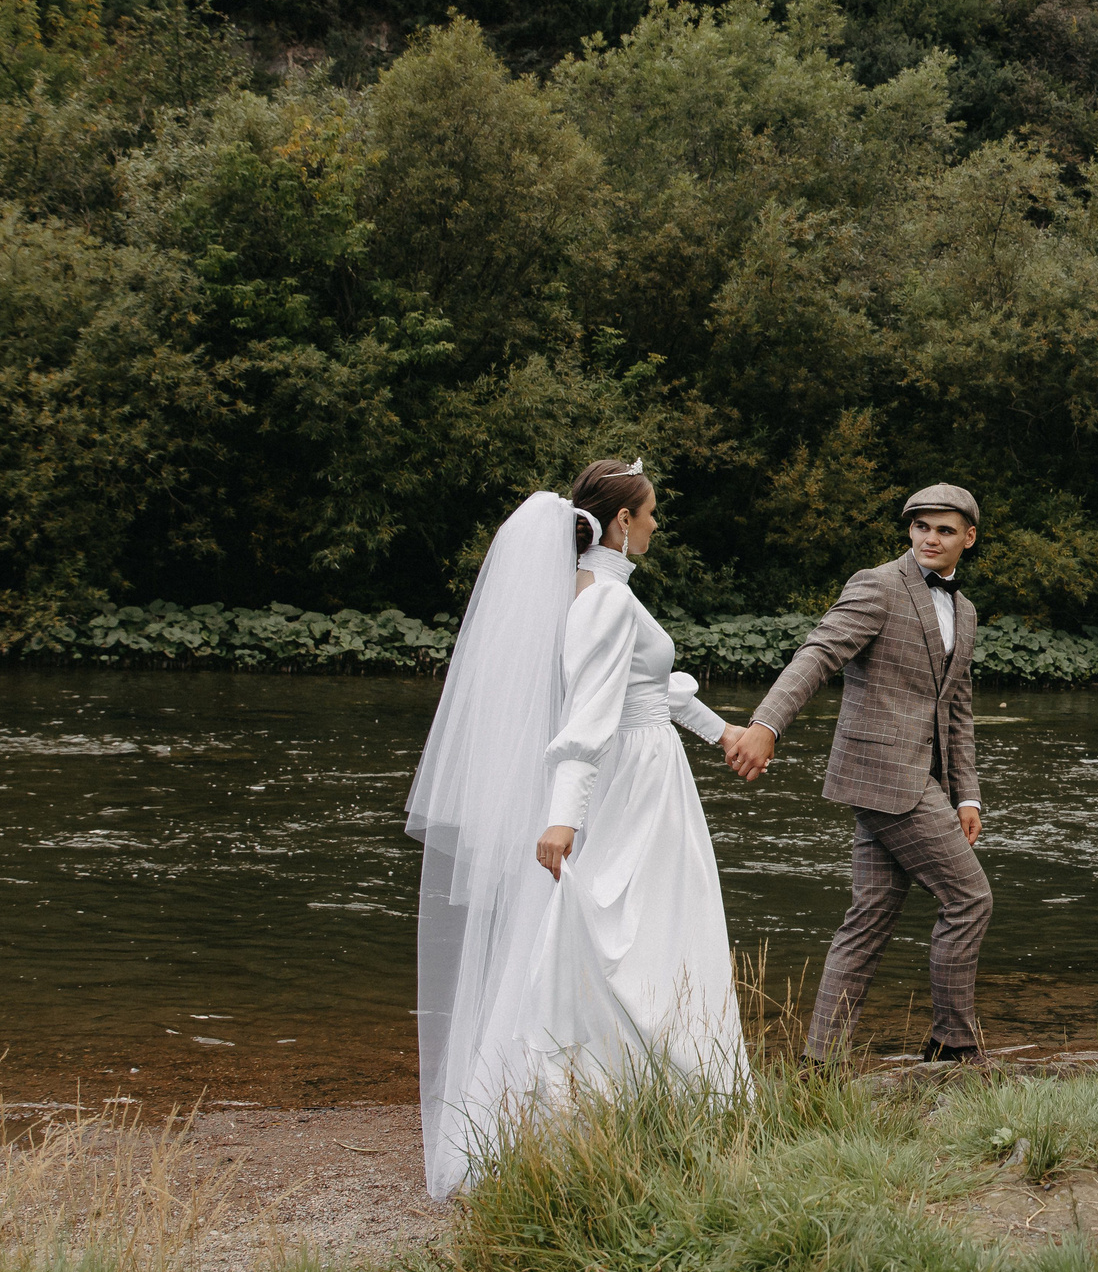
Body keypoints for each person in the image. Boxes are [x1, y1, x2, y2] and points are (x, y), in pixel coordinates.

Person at [406, 459, 749, 1199]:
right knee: (628, 936)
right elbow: (588, 719)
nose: (657, 524)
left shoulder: (607, 593)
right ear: (622, 521)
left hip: (652, 774)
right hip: (632, 789)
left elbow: (652, 689)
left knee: (648, 932)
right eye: (651, 512)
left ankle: (650, 1103)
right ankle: (618, 1103)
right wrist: (562, 819)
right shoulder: (604, 604)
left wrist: (724, 731)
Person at [722, 486, 990, 1064]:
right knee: (969, 899)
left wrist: (966, 795)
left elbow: (958, 708)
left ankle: (820, 1062)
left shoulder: (963, 612)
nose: (928, 539)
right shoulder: (878, 585)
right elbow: (817, 654)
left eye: (943, 530)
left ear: (968, 537)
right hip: (882, 774)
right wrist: (766, 724)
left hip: (921, 780)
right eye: (920, 527)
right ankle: (952, 1044)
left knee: (868, 919)